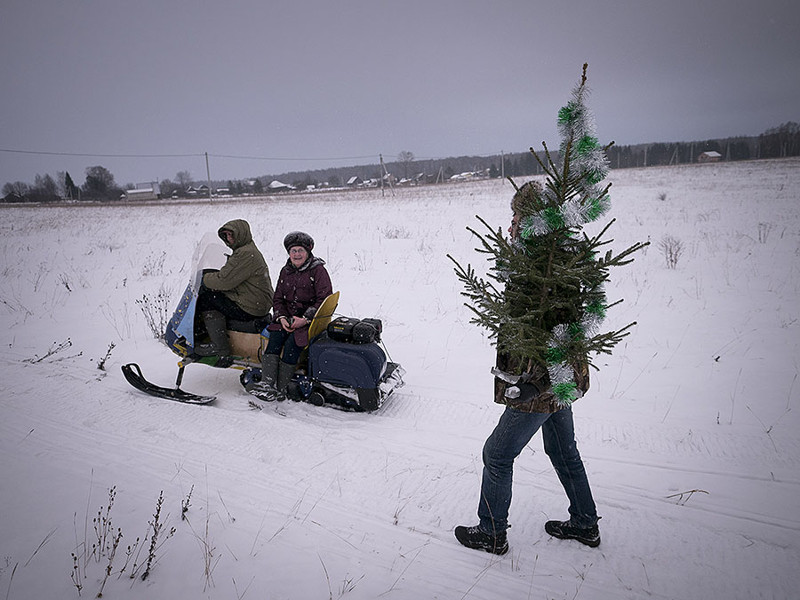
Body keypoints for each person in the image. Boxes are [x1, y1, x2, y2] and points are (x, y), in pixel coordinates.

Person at [455, 182, 600, 555]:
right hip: (559, 382)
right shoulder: (548, 259)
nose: (512, 223)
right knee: (563, 450)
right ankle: (584, 522)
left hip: (541, 384)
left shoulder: (546, 269)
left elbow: (559, 331)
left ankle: (491, 532)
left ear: (534, 220)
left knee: (497, 454)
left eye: (517, 216)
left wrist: (539, 383)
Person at [245, 231, 332, 401]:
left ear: (308, 252)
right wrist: (281, 317)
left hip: (310, 323)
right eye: (293, 251)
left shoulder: (318, 271)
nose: (297, 254)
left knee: (293, 345)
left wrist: (305, 319)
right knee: (275, 340)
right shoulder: (286, 271)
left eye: (300, 250)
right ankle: (267, 384)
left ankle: (282, 388)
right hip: (287, 320)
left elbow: (324, 299)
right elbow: (277, 298)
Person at [195, 219, 274, 358]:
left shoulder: (245, 253)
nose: (229, 238)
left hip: (251, 307)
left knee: (206, 298)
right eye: (226, 235)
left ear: (241, 234)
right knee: (214, 294)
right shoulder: (247, 250)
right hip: (255, 301)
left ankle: (219, 348)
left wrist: (203, 279)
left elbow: (224, 281)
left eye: (232, 234)